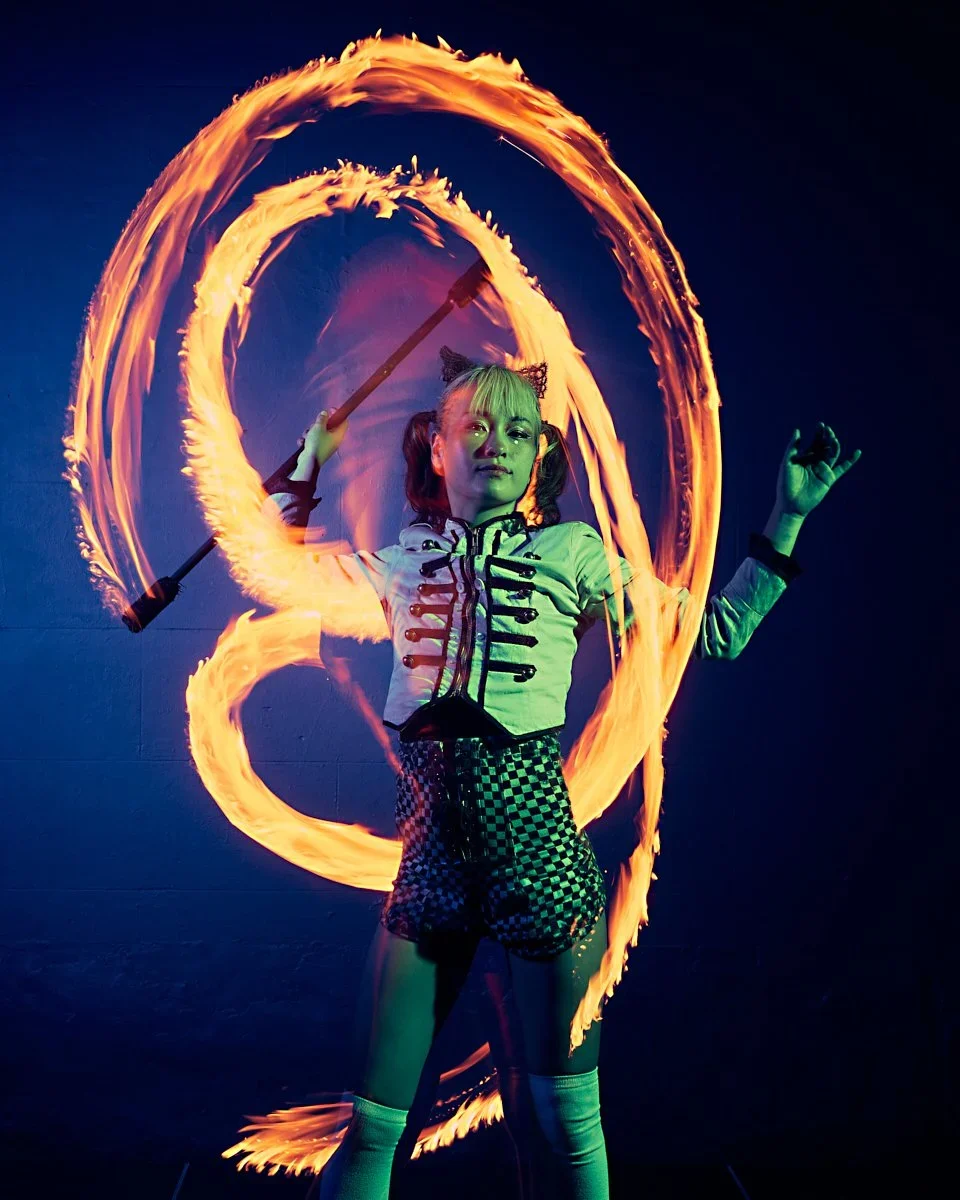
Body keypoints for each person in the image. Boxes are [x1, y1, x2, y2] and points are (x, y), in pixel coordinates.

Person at [263, 346, 861, 1199]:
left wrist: (788, 516)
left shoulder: (574, 555)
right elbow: (285, 576)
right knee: (371, 1129)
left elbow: (720, 631)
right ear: (436, 444)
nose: (498, 444)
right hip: (429, 871)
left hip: (541, 868)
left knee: (568, 1128)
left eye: (519, 429)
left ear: (541, 453)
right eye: (476, 426)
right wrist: (308, 467)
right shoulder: (401, 564)